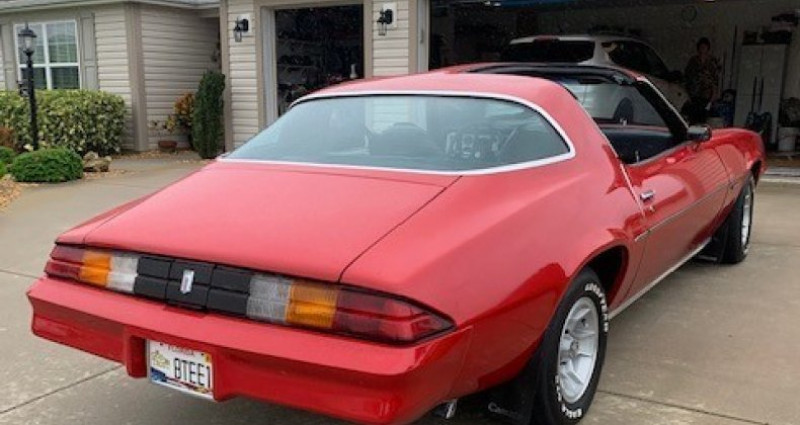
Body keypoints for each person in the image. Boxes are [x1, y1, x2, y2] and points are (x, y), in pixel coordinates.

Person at [683, 37, 720, 124]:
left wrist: (713, 96)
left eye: (705, 47)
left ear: (708, 49)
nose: (703, 49)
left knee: (703, 119)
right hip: (694, 95)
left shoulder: (711, 63)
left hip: (706, 96)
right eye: (701, 47)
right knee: (693, 118)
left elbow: (715, 81)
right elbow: (687, 77)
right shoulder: (693, 61)